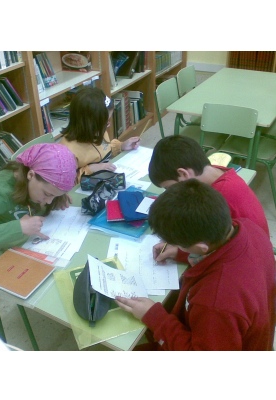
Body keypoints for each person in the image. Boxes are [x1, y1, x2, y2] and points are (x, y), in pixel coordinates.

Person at [115, 180, 276, 350]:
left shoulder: (215, 302)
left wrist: (154, 317)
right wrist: (182, 251)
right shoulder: (248, 227)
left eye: (177, 243)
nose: (170, 244)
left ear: (201, 247)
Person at [148, 135, 270, 263]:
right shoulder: (216, 173)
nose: (170, 193)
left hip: (248, 260)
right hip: (253, 250)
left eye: (168, 188)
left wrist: (181, 251)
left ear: (184, 174)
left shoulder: (220, 195)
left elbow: (215, 247)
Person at [0, 143, 77, 252]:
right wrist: (20, 227)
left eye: (54, 196)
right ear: (31, 175)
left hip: (22, 243)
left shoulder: (37, 184)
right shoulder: (0, 192)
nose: (48, 201)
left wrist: (57, 197)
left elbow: (45, 195)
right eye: (47, 194)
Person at [59, 86, 140, 183]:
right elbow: (67, 182)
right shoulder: (67, 152)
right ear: (89, 124)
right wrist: (91, 169)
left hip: (103, 181)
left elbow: (105, 149)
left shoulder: (97, 131)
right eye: (106, 122)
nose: (108, 125)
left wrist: (121, 146)